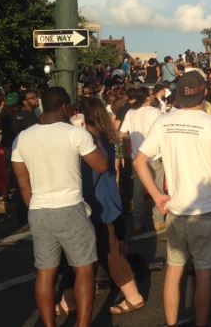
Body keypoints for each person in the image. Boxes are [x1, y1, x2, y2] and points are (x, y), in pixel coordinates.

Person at [134, 71, 211, 327]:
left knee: (174, 270)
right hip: (206, 209)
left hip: (176, 209)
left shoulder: (165, 121)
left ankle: (171, 323)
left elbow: (139, 161)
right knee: (204, 274)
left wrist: (156, 195)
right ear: (203, 94)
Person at [11, 87, 109, 327]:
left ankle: (48, 324)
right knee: (84, 270)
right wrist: (92, 136)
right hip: (70, 207)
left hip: (39, 210)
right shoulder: (75, 134)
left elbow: (23, 184)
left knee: (45, 272)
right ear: (65, 106)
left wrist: (34, 207)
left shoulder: (22, 137)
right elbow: (102, 166)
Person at [56, 97, 145, 316]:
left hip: (96, 203)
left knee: (106, 250)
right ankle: (70, 299)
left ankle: (133, 296)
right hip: (106, 201)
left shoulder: (88, 139)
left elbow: (95, 171)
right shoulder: (106, 136)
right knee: (102, 249)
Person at [120, 87, 163, 233]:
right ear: (146, 98)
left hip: (136, 158)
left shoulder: (130, 113)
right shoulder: (155, 112)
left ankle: (137, 223)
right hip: (154, 156)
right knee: (157, 189)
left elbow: (121, 134)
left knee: (137, 192)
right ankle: (158, 221)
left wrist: (132, 136)